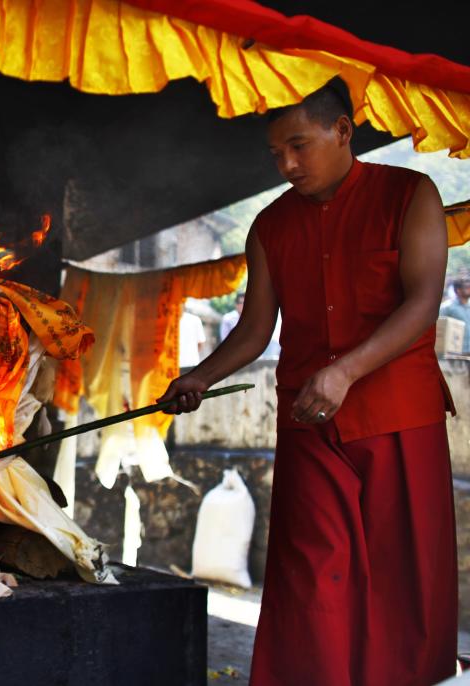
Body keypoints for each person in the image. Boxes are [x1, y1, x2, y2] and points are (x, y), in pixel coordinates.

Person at [159, 79, 456, 685]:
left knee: (406, 577)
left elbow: (423, 303)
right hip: (309, 421)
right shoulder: (270, 225)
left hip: (399, 414)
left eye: (298, 145)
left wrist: (347, 369)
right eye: (276, 154)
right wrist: (199, 377)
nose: (287, 164)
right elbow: (254, 328)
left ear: (343, 131)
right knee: (309, 577)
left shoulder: (410, 193)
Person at [440, 278, 470, 353]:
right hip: (456, 352)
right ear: (458, 290)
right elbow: (439, 327)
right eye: (467, 287)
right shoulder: (447, 307)